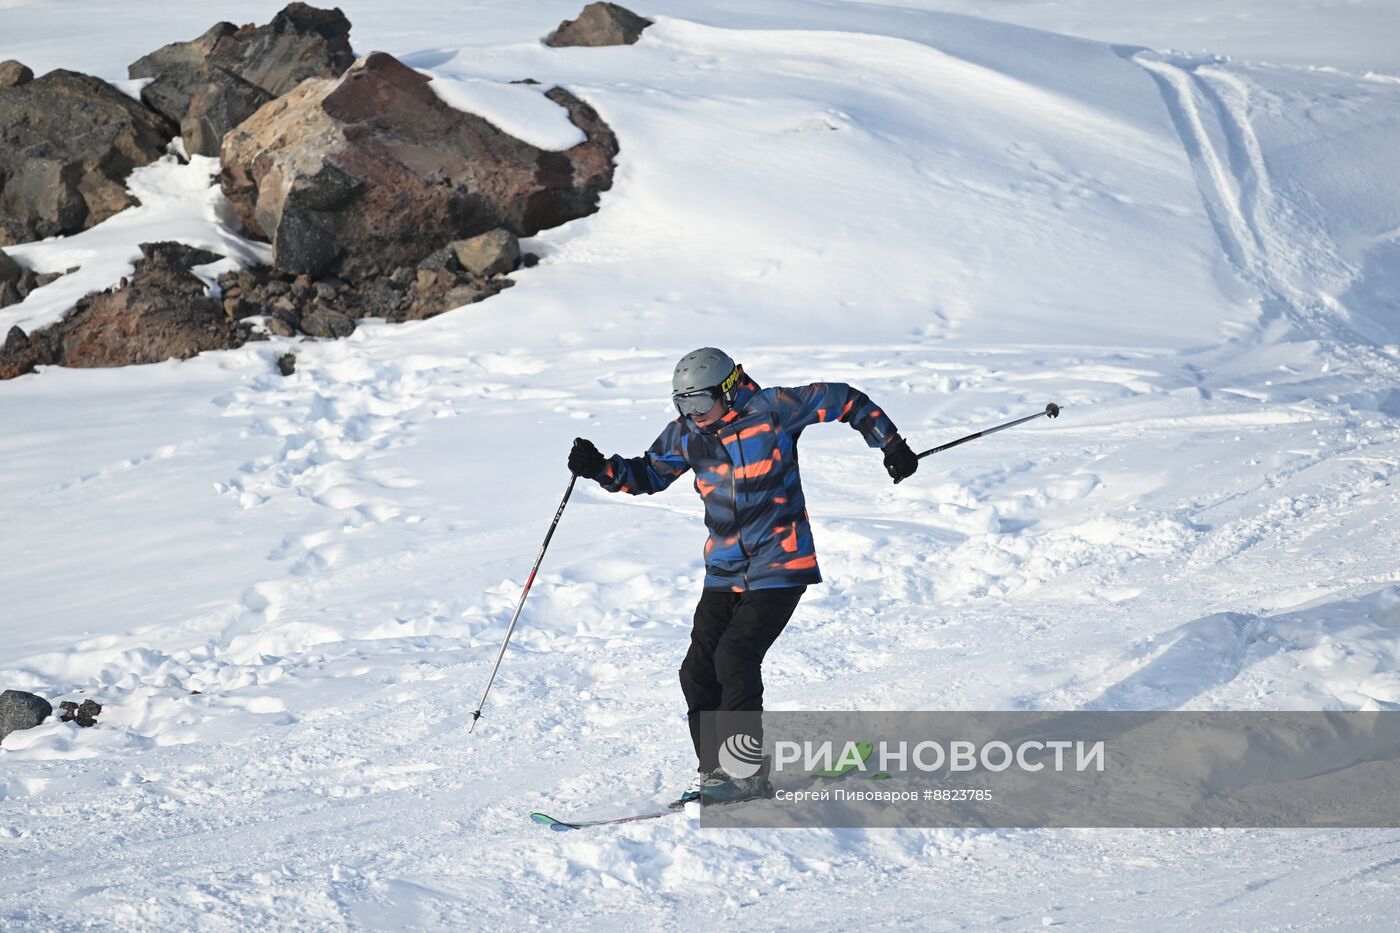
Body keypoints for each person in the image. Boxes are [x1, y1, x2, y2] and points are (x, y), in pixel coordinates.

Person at [567, 348, 918, 803]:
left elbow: (847, 400)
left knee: (735, 655)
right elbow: (649, 474)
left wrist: (891, 444)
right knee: (697, 671)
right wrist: (602, 469)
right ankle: (718, 774)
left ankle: (746, 775)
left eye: (700, 403)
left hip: (781, 563)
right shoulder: (687, 434)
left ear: (729, 390)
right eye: (683, 405)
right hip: (724, 570)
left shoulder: (774, 410)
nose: (693, 414)